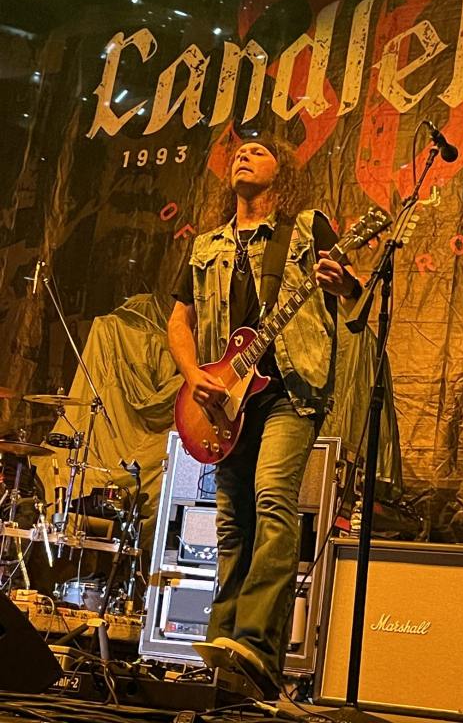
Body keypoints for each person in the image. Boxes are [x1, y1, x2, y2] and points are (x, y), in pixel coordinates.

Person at [167, 135, 362, 697]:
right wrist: (193, 374)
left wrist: (344, 283)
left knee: (273, 499)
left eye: (257, 150)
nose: (242, 156)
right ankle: (223, 648)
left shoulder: (306, 228)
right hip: (227, 398)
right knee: (232, 524)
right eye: (237, 152)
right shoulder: (206, 246)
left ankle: (252, 640)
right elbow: (178, 321)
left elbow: (354, 292)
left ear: (283, 170)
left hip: (291, 387)